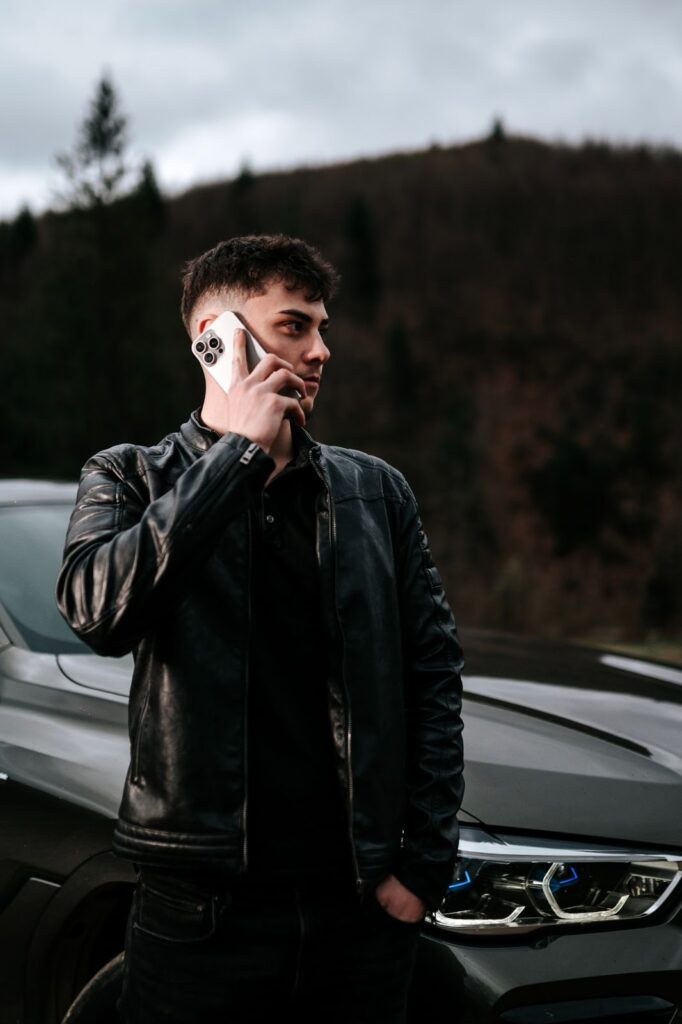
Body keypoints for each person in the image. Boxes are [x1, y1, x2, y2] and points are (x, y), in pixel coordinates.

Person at [56, 234, 465, 1024]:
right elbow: (97, 610)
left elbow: (434, 675)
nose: (322, 350)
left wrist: (422, 866)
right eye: (293, 326)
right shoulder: (128, 475)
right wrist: (234, 456)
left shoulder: (375, 492)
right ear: (216, 339)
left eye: (321, 326)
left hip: (362, 909)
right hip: (200, 910)